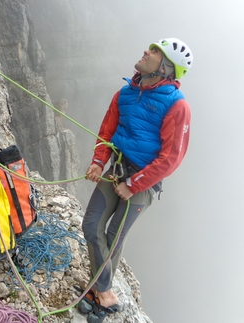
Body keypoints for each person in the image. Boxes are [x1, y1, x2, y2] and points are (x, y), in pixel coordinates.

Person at [79, 38, 193, 323]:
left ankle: (99, 294)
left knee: (114, 236)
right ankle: (103, 291)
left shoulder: (177, 106)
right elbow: (108, 129)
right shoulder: (125, 93)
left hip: (142, 183)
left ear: (166, 68)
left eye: (156, 52)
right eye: (151, 48)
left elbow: (171, 158)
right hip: (116, 168)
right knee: (91, 225)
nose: (146, 51)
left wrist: (133, 185)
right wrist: (97, 161)